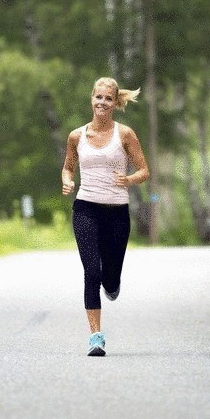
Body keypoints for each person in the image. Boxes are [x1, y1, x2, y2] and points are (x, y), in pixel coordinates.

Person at [61, 77, 150, 356]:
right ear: (92, 99)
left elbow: (144, 171)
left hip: (117, 213)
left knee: (109, 280)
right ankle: (96, 337)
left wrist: (128, 179)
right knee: (92, 272)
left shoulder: (125, 135)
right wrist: (67, 181)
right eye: (98, 97)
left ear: (115, 103)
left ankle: (112, 284)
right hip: (86, 208)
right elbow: (67, 168)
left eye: (108, 99)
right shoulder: (76, 136)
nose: (102, 102)